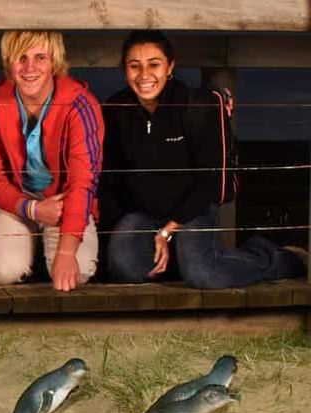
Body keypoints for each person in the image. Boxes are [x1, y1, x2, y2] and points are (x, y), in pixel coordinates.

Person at [101, 30, 302, 289]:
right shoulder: (117, 108)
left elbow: (209, 181)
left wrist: (167, 231)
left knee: (204, 275)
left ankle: (278, 258)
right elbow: (113, 175)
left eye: (154, 64)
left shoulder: (195, 105)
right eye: (134, 66)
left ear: (170, 66)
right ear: (125, 69)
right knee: (123, 266)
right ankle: (181, 260)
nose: (144, 75)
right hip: (145, 213)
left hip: (193, 209)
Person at [0, 31, 103, 292]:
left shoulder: (81, 106)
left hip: (62, 201)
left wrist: (65, 253)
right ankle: (19, 248)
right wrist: (32, 209)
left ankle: (44, 253)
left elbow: (83, 182)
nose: (30, 68)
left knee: (80, 269)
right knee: (2, 270)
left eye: (40, 57)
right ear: (9, 63)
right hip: (14, 200)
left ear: (54, 62)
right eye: (21, 58)